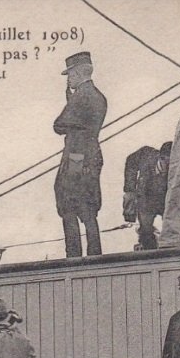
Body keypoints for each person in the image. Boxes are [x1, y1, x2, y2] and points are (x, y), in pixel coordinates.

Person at [53, 51, 107, 257]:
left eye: (69, 74)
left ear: (76, 73)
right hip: (93, 153)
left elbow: (58, 125)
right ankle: (95, 253)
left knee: (68, 200)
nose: (68, 79)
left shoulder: (81, 97)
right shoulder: (99, 96)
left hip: (76, 155)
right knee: (88, 203)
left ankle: (73, 255)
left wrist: (70, 102)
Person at [123, 142, 172, 250]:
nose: (169, 168)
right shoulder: (146, 155)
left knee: (171, 230)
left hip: (167, 200)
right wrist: (130, 189)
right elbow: (130, 161)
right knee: (145, 231)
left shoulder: (176, 168)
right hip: (147, 199)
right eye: (167, 163)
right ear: (161, 158)